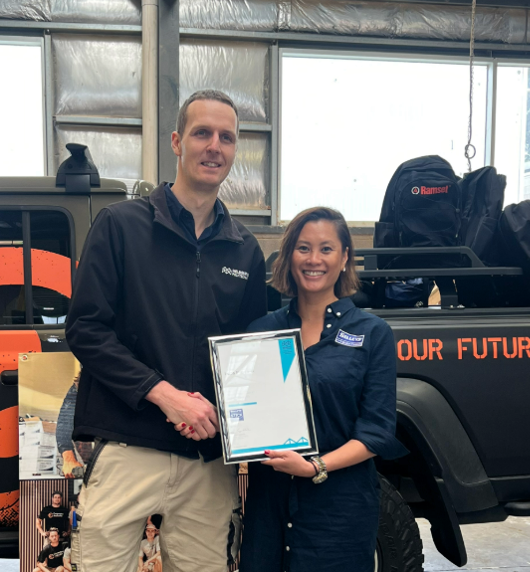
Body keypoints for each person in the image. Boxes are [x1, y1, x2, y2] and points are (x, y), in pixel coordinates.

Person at [66, 89, 267, 572]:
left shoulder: (245, 251)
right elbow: (86, 329)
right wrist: (164, 395)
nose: (214, 146)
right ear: (177, 142)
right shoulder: (120, 227)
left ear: (235, 151)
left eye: (227, 137)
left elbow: (250, 356)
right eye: (202, 133)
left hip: (206, 461)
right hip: (128, 446)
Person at [238, 207, 408, 572]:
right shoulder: (261, 332)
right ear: (289, 256)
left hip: (339, 515)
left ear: (345, 256)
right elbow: (246, 418)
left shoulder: (371, 333)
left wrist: (314, 466)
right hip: (268, 511)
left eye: (326, 249)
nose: (314, 260)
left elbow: (377, 432)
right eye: (303, 248)